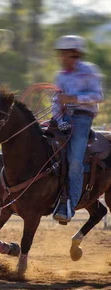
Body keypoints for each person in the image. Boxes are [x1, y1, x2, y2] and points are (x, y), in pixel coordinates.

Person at [51, 35, 104, 223]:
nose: (63, 58)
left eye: (66, 54)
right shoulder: (61, 76)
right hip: (64, 117)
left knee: (75, 160)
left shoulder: (89, 71)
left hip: (82, 118)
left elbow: (98, 95)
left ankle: (69, 206)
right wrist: (57, 119)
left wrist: (73, 98)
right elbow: (56, 100)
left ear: (76, 54)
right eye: (61, 54)